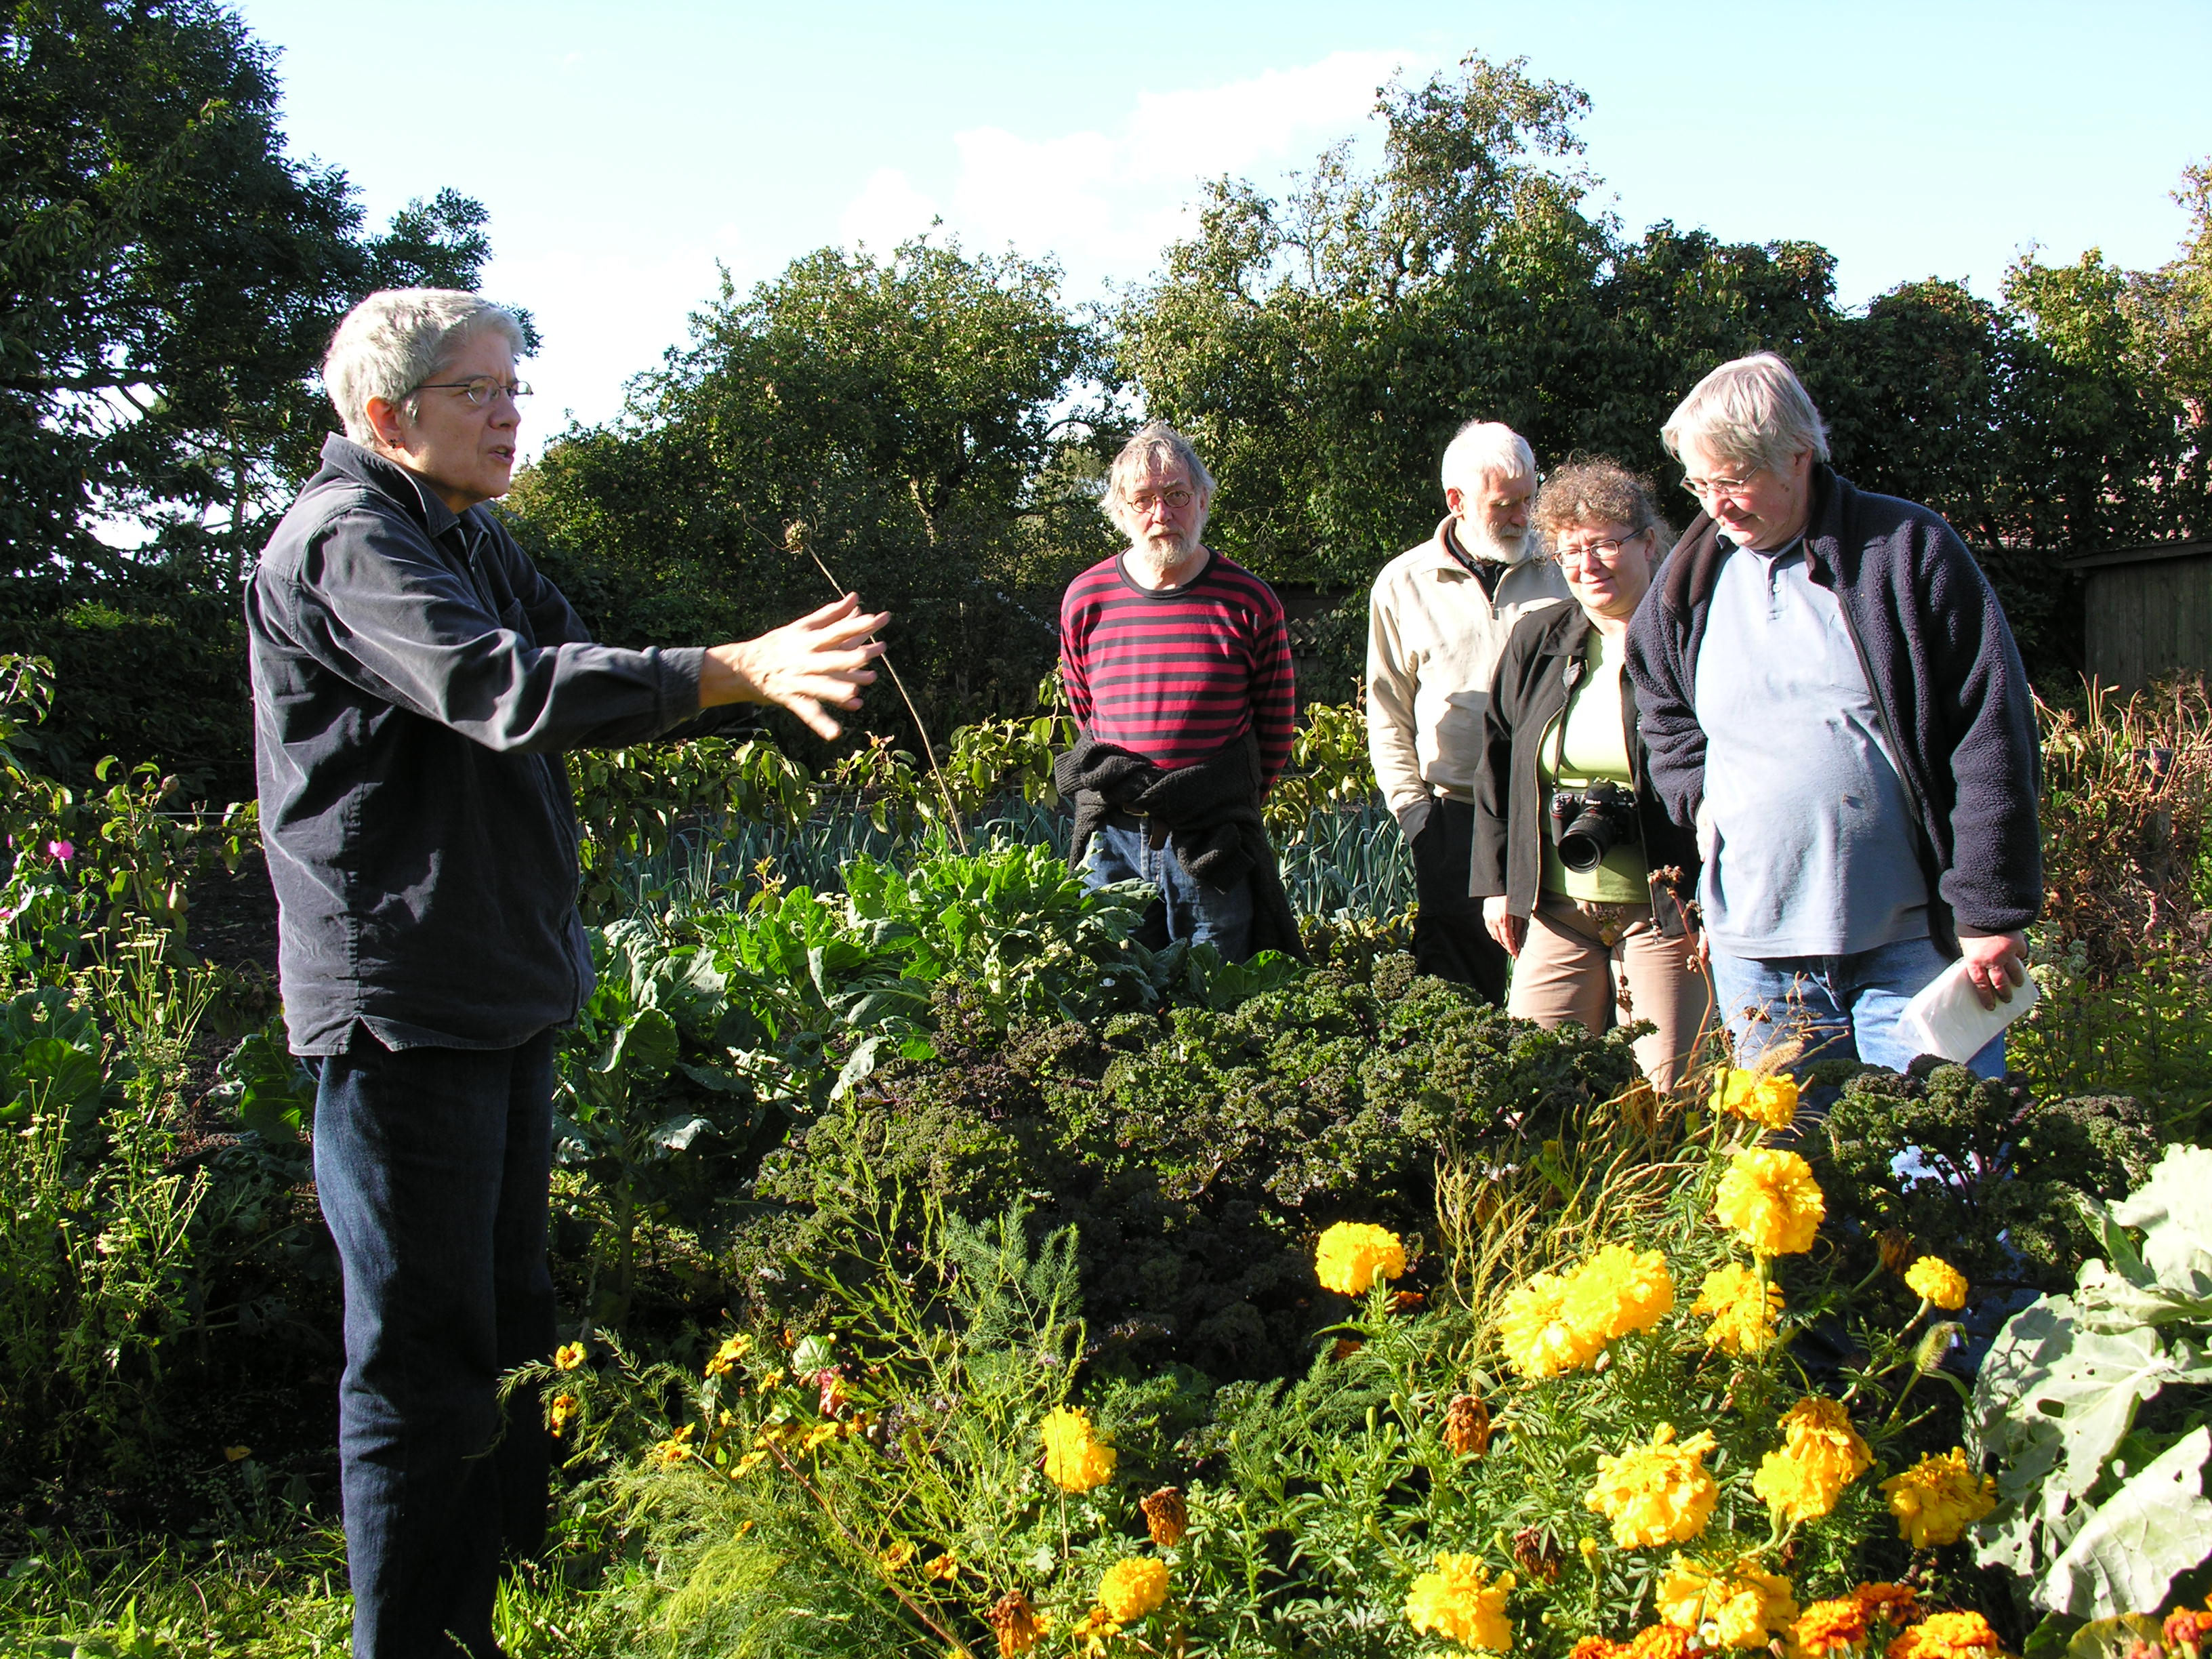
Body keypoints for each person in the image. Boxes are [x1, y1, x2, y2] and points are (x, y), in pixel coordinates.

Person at [246, 289, 888, 1658]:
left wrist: (742, 683)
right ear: (385, 417)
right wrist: (729, 669)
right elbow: (508, 688)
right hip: (402, 1003)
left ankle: (490, 1596)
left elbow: (569, 666)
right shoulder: (349, 540)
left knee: (501, 1316)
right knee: (420, 1352)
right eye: (478, 391)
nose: (509, 412)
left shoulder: (467, 533)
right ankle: (413, 1642)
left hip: (499, 982)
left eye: (513, 388)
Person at [1625, 352, 2043, 1078]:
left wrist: (1992, 912)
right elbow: (1658, 703)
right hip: (1757, 959)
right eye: (1699, 482)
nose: (1715, 504)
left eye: (1732, 480)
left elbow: (1991, 734)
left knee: (1939, 1173)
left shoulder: (1905, 550)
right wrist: (1705, 803)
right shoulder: (1688, 581)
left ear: (1798, 454)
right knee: (1789, 1180)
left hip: (1912, 947)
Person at [1471, 460, 1712, 1089]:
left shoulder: (1691, 636)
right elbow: (1498, 764)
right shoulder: (1539, 638)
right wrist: (1500, 884)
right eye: (1572, 549)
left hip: (1663, 909)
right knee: (1527, 1088)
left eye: (1607, 543)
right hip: (1557, 908)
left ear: (1649, 542)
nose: (1589, 563)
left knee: (1667, 1094)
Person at [1054, 421, 1302, 961]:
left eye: (1177, 496)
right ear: (1119, 511)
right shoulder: (1086, 598)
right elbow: (1085, 711)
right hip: (1114, 838)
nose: (1161, 515)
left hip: (1209, 839)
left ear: (1204, 500)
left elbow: (1275, 728)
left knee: (1216, 989)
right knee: (1116, 984)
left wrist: (1212, 797)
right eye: (1142, 500)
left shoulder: (1249, 600)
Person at [1366, 420, 1570, 1000]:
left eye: (1530, 499)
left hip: (1555, 811)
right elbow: (1387, 711)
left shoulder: (1567, 567)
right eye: (1505, 504)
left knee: (1562, 990)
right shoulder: (1403, 583)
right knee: (1458, 998)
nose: (1524, 517)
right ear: (1456, 501)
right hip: (1453, 818)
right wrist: (1414, 817)